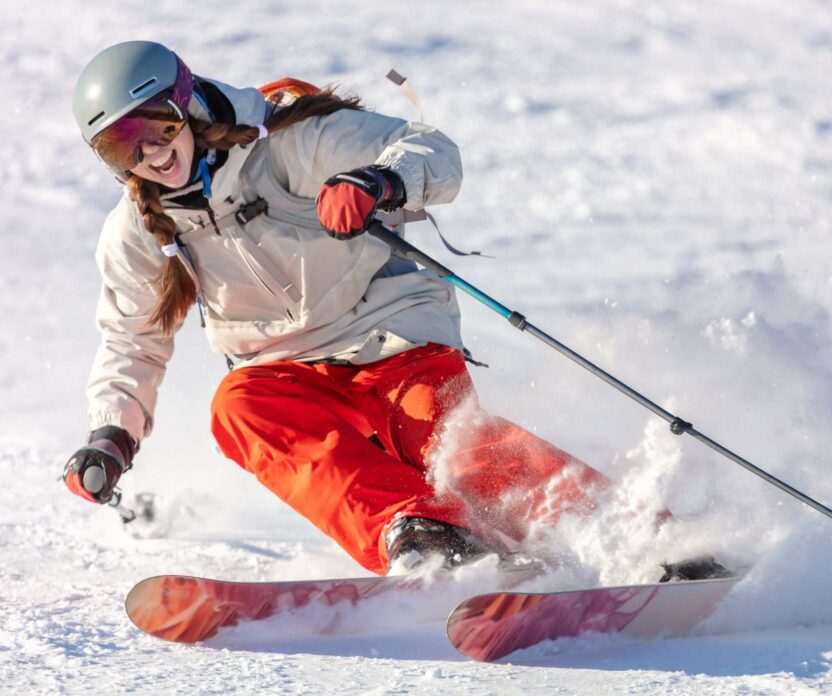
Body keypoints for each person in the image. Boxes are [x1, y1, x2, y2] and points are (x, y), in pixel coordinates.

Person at [61, 40, 614, 576]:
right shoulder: (135, 233)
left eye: (159, 125)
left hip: (392, 334)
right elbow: (131, 340)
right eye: (122, 144)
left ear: (188, 104)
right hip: (284, 371)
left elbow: (432, 149)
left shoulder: (285, 143)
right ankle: (421, 531)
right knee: (238, 408)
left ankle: (617, 528)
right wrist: (112, 433)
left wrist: (380, 180)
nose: (151, 153)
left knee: (447, 445)